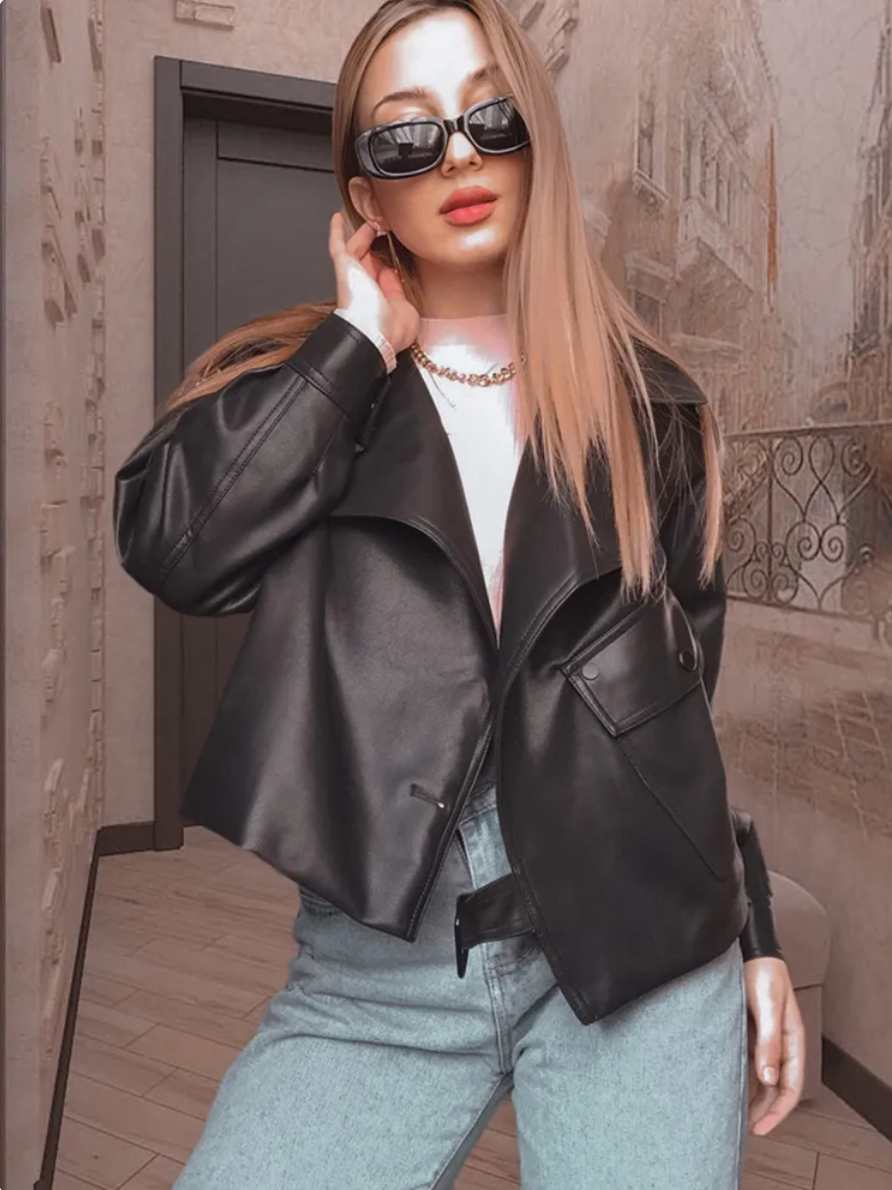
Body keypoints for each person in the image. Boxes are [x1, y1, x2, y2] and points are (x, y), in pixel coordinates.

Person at [113, 1, 805, 1186]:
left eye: (490, 115)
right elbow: (175, 545)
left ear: (534, 136)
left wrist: (753, 930)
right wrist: (352, 344)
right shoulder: (306, 389)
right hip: (378, 978)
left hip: (642, 954)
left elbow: (677, 711)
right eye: (406, 134)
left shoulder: (656, 410)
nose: (459, 155)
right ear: (365, 197)